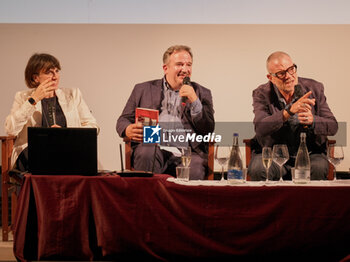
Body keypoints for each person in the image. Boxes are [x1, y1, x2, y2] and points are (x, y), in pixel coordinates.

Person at [116, 45, 214, 180]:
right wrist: (127, 129)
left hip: (187, 151)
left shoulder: (202, 93)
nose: (185, 70)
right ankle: (147, 200)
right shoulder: (142, 89)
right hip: (153, 146)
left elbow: (208, 129)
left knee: (196, 167)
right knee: (146, 153)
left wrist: (194, 101)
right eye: (179, 64)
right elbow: (123, 119)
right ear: (165, 68)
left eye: (189, 65)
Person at [248, 51, 338, 181]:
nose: (289, 76)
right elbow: (261, 128)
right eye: (281, 73)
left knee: (318, 168)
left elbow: (333, 126)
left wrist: (313, 121)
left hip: (310, 154)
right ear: (270, 77)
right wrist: (288, 111)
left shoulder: (314, 88)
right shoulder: (262, 93)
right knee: (258, 168)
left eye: (291, 69)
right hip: (274, 154)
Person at [5, 53, 99, 171]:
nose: (55, 77)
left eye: (57, 71)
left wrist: (65, 134)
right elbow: (11, 129)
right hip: (33, 153)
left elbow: (93, 126)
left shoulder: (73, 95)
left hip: (67, 150)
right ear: (35, 78)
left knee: (69, 157)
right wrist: (33, 100)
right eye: (49, 72)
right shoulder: (23, 97)